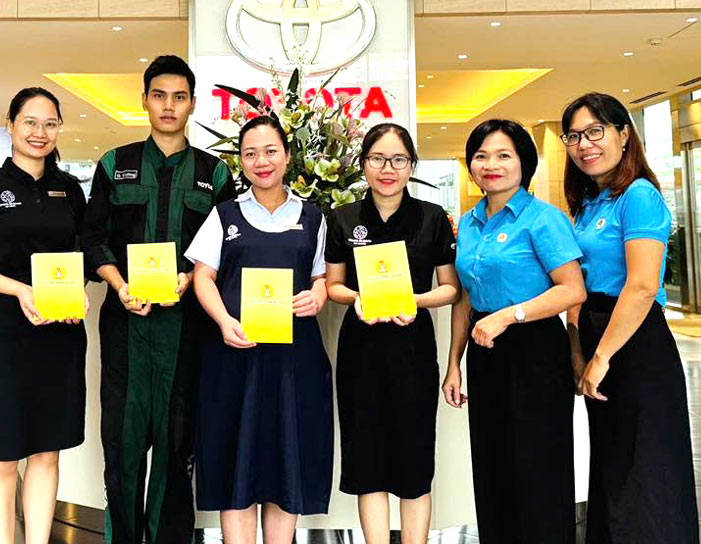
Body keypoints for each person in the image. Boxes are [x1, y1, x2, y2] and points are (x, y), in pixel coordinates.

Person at [81, 54, 236, 544]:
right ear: (145, 99)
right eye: (159, 95)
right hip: (126, 328)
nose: (169, 106)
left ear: (192, 104)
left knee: (175, 446)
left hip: (187, 331)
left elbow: (225, 246)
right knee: (122, 449)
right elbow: (93, 238)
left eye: (180, 96)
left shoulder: (215, 174)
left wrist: (191, 277)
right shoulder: (115, 165)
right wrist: (119, 284)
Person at [0, 87, 87, 544]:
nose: (39, 133)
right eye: (30, 122)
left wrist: (75, 293)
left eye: (50, 123)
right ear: (10, 125)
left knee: (47, 451)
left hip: (60, 335)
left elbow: (82, 254)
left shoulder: (69, 189)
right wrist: (21, 291)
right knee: (3, 454)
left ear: (59, 129)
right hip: (4, 336)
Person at [185, 115, 332, 544]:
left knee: (286, 461)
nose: (261, 161)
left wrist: (318, 295)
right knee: (237, 462)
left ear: (287, 156)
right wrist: (223, 321)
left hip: (294, 361)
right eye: (250, 154)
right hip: (235, 356)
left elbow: (322, 277)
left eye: (270, 151)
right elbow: (202, 277)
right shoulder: (224, 214)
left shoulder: (313, 217)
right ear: (241, 162)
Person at [561, 92, 699, 544]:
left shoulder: (639, 196)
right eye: (574, 136)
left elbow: (641, 287)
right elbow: (578, 288)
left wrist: (601, 357)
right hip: (598, 334)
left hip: (635, 342)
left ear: (624, 134)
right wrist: (580, 354)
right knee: (613, 464)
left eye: (595, 132)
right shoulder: (588, 202)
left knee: (647, 469)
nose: (584, 144)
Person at [442, 119, 586, 544]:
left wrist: (510, 316)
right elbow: (465, 299)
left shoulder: (543, 219)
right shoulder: (468, 223)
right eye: (482, 156)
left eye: (504, 155)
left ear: (525, 162)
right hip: (484, 351)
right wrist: (453, 363)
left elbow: (571, 289)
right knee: (493, 463)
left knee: (538, 466)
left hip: (535, 349)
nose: (491, 164)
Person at [324, 123, 458, 544]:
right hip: (360, 355)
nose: (388, 169)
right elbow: (332, 285)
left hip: (414, 354)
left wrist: (416, 301)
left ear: (411, 166)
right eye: (378, 159)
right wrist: (356, 299)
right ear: (363, 164)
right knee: (368, 462)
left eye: (399, 160)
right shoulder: (343, 218)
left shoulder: (433, 218)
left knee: (415, 460)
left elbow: (451, 288)